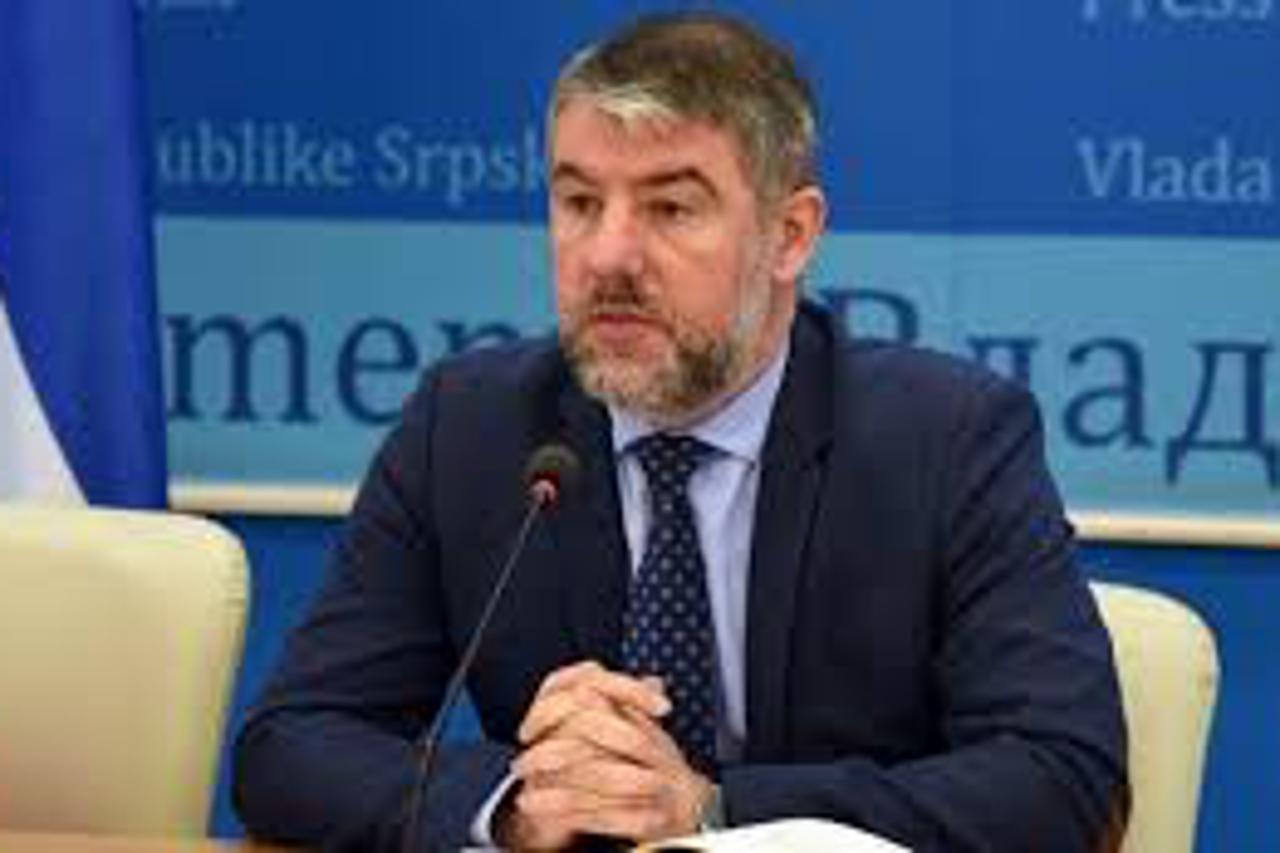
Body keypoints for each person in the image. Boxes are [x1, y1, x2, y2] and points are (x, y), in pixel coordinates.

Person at [233, 12, 1128, 852]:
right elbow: (290, 744)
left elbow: (1065, 777)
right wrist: (517, 800)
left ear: (790, 236)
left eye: (670, 208)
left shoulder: (947, 438)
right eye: (579, 202)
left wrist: (711, 811)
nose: (608, 256)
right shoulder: (470, 426)